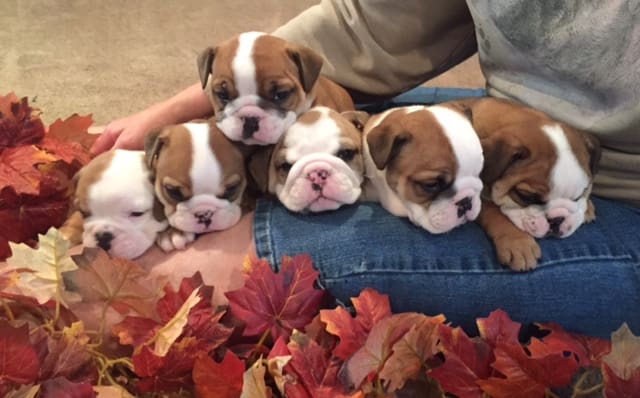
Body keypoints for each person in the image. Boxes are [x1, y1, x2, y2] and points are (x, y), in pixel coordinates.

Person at [91, 0, 640, 339]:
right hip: (509, 127)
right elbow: (372, 26)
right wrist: (174, 116)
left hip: (618, 188)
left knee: (209, 268)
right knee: (343, 129)